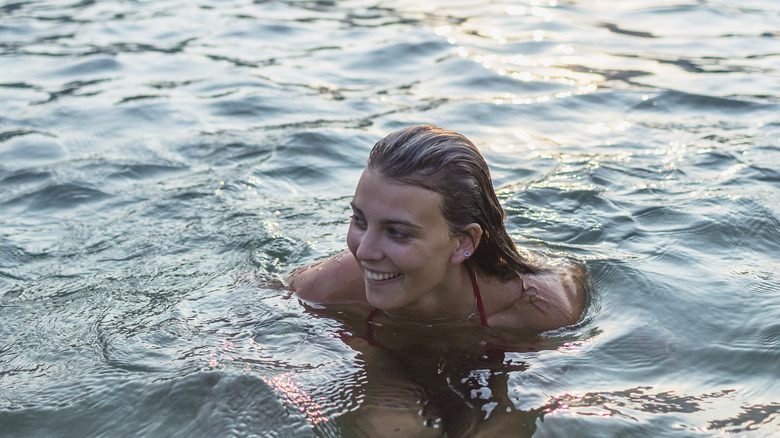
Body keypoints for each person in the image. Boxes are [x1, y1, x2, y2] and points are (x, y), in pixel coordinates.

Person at [287, 124, 587, 332]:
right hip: (385, 358)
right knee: (391, 423)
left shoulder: (541, 309)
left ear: (464, 242)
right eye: (359, 221)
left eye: (397, 232)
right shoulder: (328, 287)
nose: (363, 252)